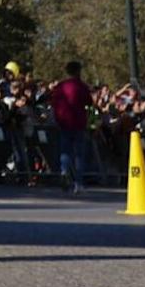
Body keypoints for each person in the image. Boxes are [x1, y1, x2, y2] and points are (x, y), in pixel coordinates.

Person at [50, 61, 95, 193]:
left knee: (65, 152)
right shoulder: (81, 86)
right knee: (79, 155)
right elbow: (89, 103)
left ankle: (64, 172)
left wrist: (57, 119)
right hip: (78, 123)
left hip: (63, 123)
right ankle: (78, 182)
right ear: (78, 71)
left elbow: (54, 104)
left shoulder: (60, 86)